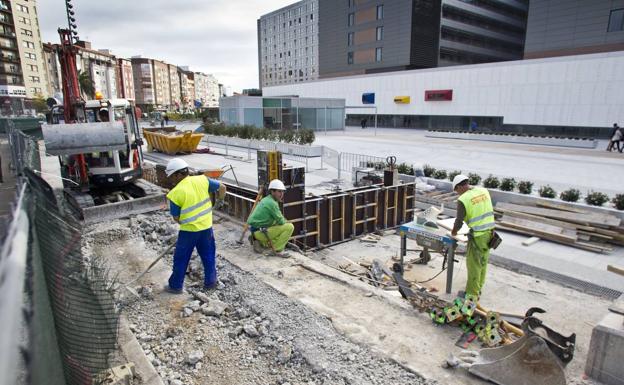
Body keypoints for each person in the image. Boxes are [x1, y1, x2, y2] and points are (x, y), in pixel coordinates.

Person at [164, 158, 227, 294]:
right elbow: (222, 187)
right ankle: (211, 283)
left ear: (178, 174)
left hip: (188, 232)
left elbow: (176, 218)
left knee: (181, 259)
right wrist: (219, 202)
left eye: (171, 176)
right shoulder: (202, 180)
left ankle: (175, 286)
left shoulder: (175, 193)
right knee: (208, 256)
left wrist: (187, 222)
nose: (171, 180)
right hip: (206, 229)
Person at [451, 174, 495, 301]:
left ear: (459, 187)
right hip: (490, 232)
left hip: (478, 236)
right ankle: (478, 288)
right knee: (483, 262)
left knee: (473, 266)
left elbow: (459, 221)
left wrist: (454, 232)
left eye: (456, 190)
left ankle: (471, 296)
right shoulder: (483, 190)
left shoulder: (463, 199)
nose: (457, 193)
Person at [246, 179, 294, 258]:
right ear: (272, 191)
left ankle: (260, 241)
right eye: (279, 191)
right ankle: (277, 250)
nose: (281, 194)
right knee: (289, 227)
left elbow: (277, 220)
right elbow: (281, 221)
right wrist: (286, 221)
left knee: (276, 223)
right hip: (260, 232)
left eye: (282, 192)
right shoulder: (272, 203)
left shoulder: (266, 199)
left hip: (256, 231)